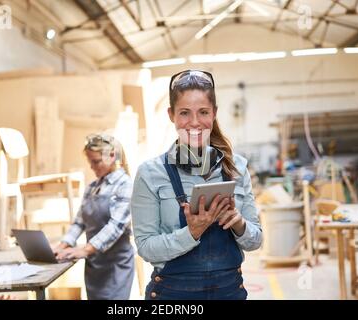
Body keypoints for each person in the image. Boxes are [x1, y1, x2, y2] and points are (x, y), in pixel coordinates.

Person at [131, 70, 262, 300]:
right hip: (173, 297)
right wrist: (191, 232)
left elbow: (256, 240)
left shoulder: (236, 168)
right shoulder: (150, 173)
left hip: (229, 292)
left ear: (214, 114)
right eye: (184, 113)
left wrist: (239, 224)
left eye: (203, 112)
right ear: (171, 115)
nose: (194, 122)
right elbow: (145, 247)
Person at [54, 134, 134, 300]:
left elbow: (115, 227)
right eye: (90, 161)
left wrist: (85, 249)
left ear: (112, 156)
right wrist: (63, 245)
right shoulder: (92, 187)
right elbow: (79, 221)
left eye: (96, 161)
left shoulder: (125, 185)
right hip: (94, 266)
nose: (91, 167)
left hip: (115, 266)